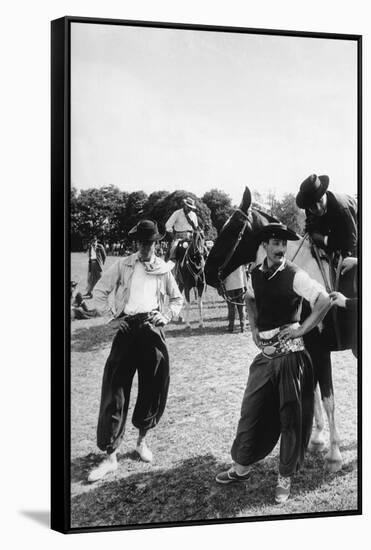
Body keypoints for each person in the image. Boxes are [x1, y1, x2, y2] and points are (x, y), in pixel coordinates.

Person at [215, 223, 331, 504]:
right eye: (276, 243)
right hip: (265, 357)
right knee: (250, 411)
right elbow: (250, 298)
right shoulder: (255, 274)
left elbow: (323, 300)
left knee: (290, 419)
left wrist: (302, 329)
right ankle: (241, 467)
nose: (281, 248)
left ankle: (285, 479)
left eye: (284, 244)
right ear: (265, 245)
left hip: (291, 357)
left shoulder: (294, 275)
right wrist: (253, 327)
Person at [88, 220, 183, 482]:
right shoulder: (123, 264)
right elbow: (99, 291)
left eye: (150, 242)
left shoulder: (163, 269)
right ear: (136, 243)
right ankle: (110, 455)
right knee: (115, 389)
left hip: (152, 330)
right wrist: (112, 317)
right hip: (127, 329)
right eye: (141, 242)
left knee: (152, 387)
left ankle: (141, 442)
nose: (145, 247)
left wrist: (166, 316)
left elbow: (177, 298)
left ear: (157, 243)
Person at [296, 174, 357, 258]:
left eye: (320, 201)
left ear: (324, 193)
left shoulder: (342, 208)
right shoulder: (309, 207)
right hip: (333, 231)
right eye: (313, 206)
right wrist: (318, 243)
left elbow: (351, 244)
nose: (318, 208)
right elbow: (310, 229)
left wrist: (324, 240)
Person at [223, 266, 247, 333]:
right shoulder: (240, 259)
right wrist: (246, 286)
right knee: (241, 307)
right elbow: (244, 272)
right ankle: (243, 326)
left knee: (231, 307)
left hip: (230, 285)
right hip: (240, 284)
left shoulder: (226, 260)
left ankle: (231, 327)